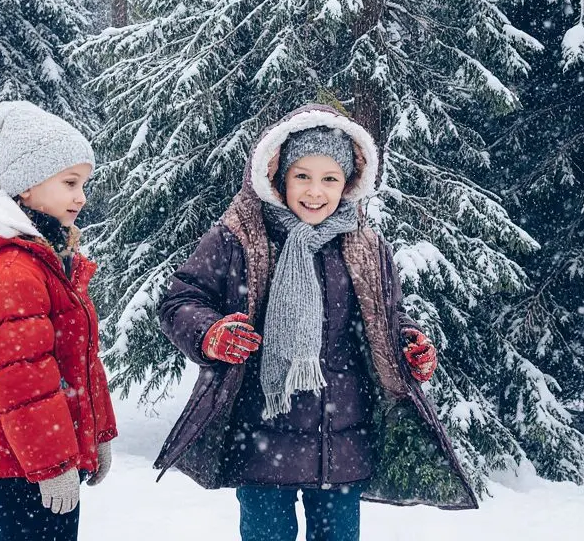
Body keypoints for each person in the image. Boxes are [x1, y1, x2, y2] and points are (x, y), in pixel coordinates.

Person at [155, 103, 478, 541]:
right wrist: (210, 334)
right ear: (279, 176)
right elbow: (181, 300)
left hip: (343, 436)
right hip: (261, 430)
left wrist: (407, 345)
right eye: (302, 176)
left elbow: (387, 316)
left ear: (347, 184)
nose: (315, 191)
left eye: (330, 178)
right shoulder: (241, 237)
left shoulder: (365, 245)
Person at [0, 101, 117, 541]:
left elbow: (78, 360)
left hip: (34, 454)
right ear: (27, 187)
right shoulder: (12, 273)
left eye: (84, 183)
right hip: (18, 460)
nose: (82, 196)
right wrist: (52, 464)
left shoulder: (47, 260)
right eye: (70, 183)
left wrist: (98, 433)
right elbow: (23, 381)